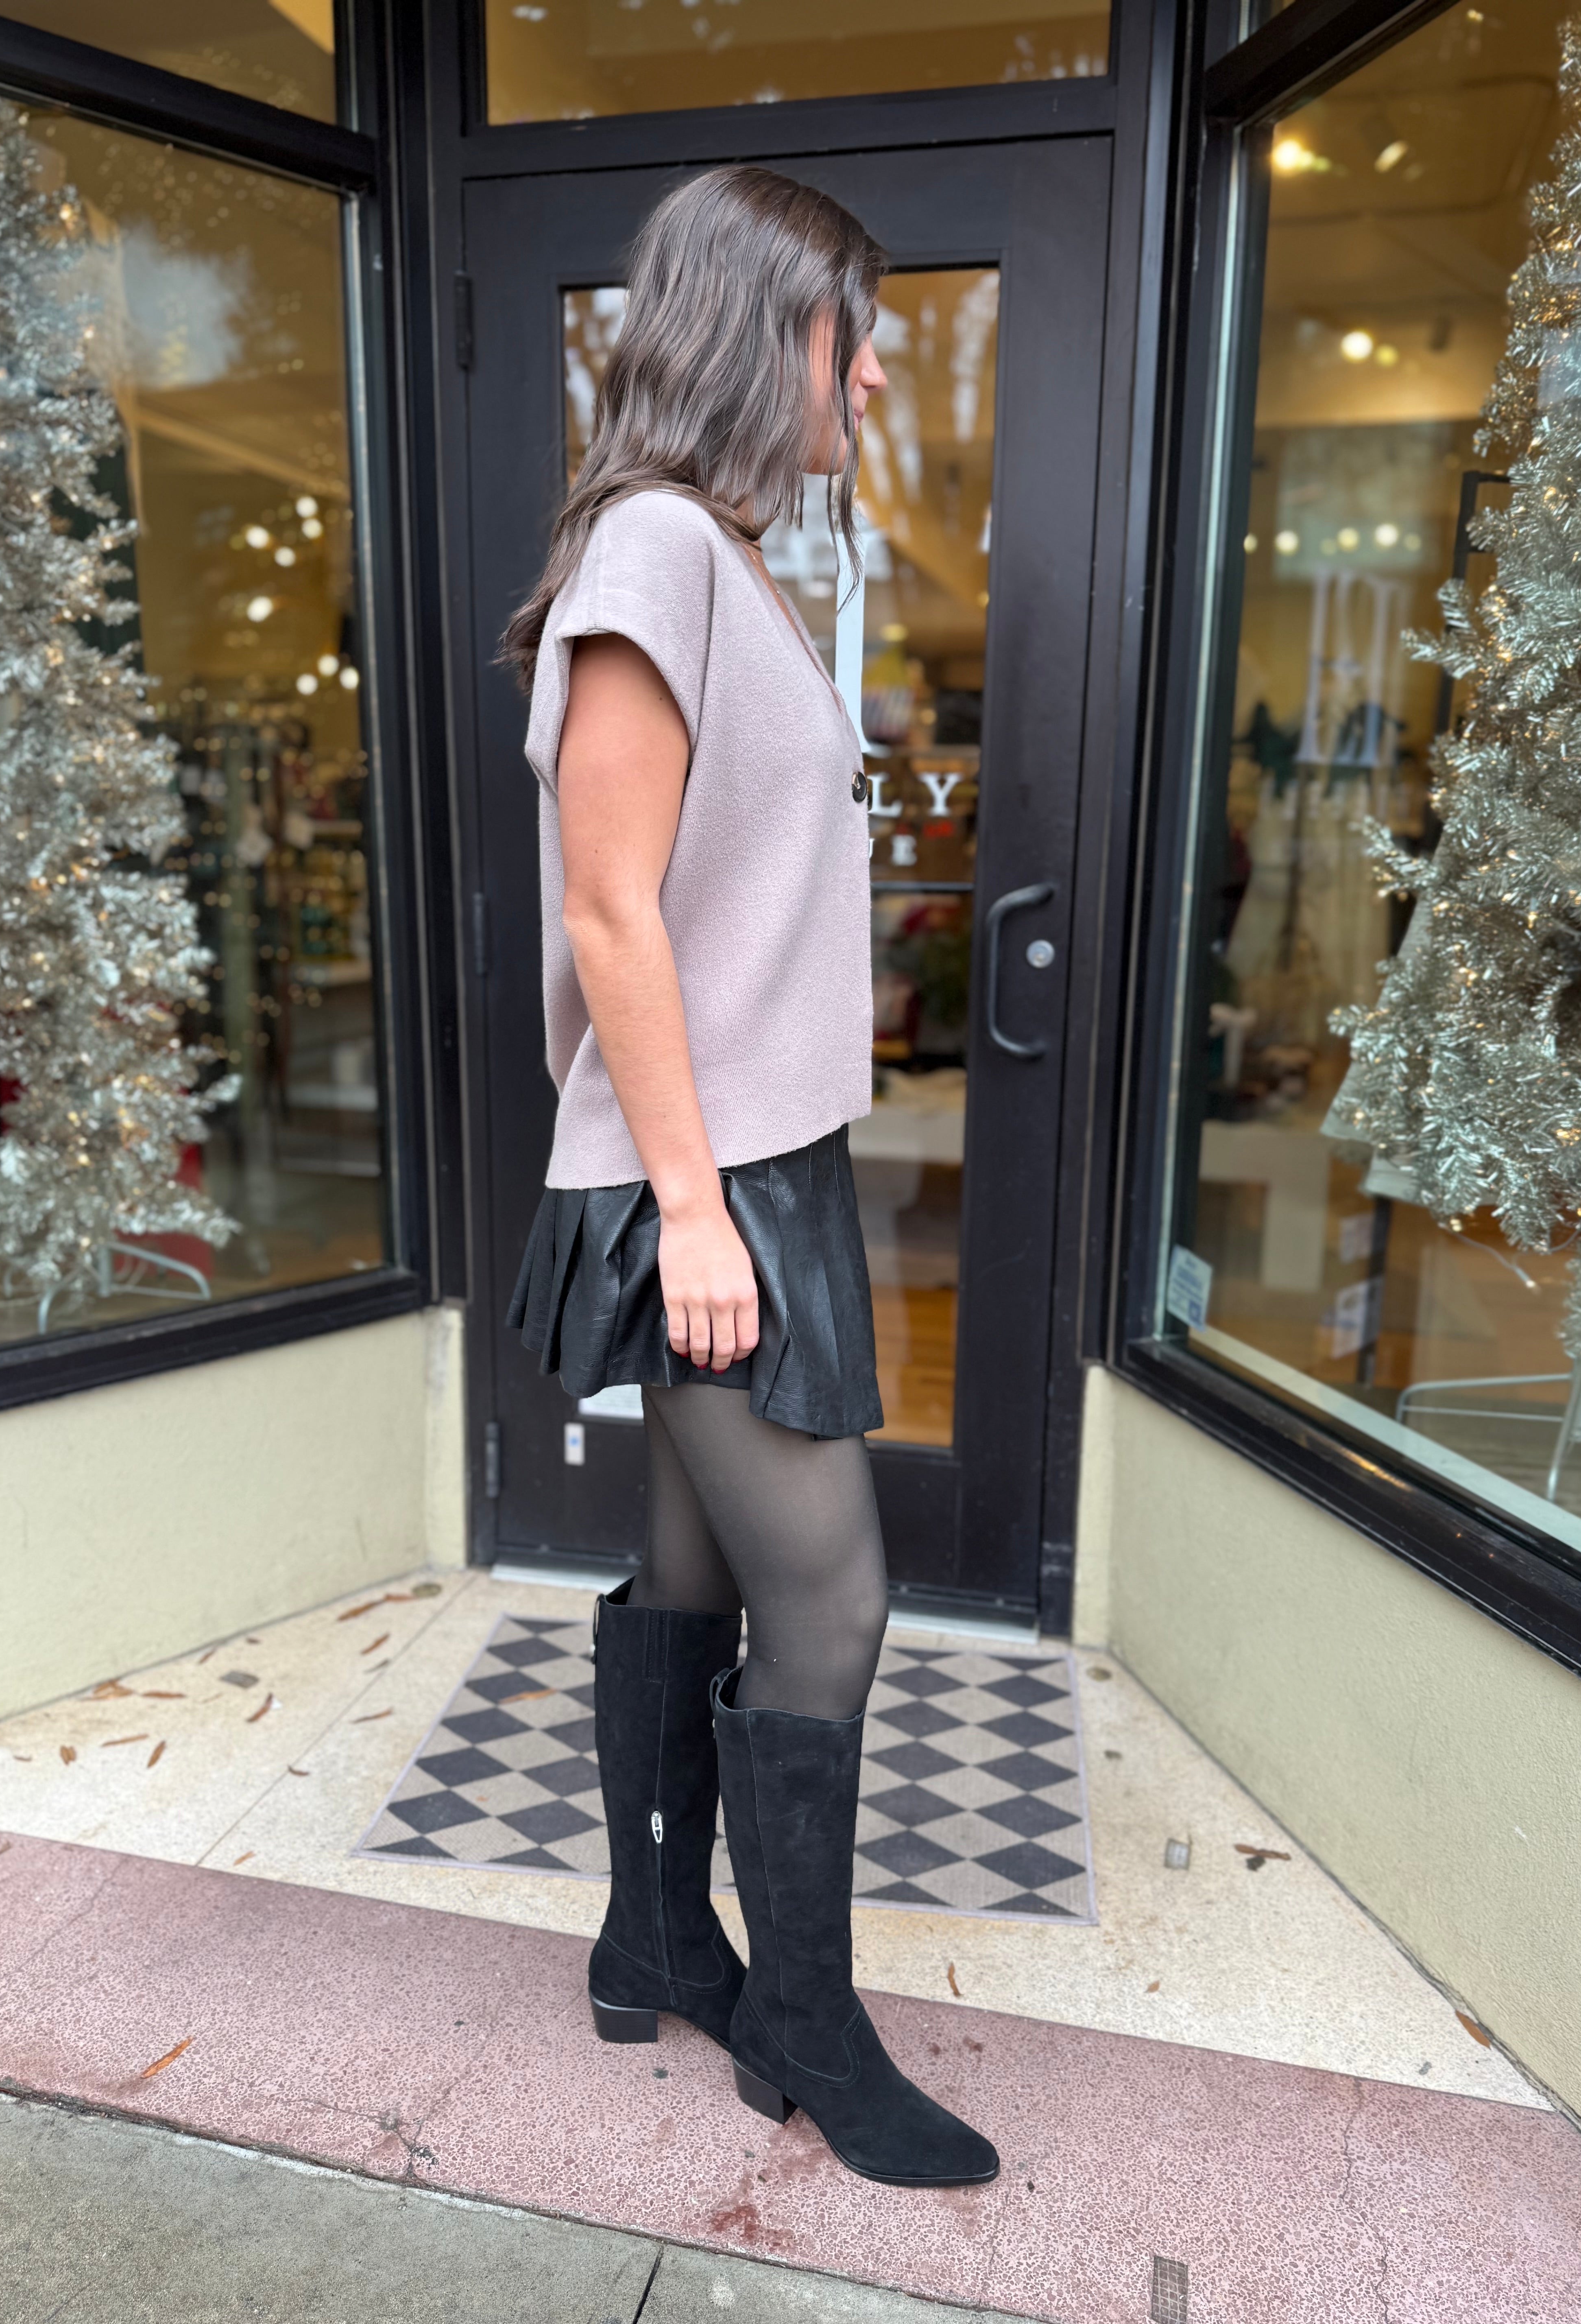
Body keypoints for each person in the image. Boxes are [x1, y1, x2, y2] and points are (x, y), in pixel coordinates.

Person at [498, 164, 997, 2192]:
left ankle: (651, 1944)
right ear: (754, 328)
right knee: (836, 1596)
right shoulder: (651, 551)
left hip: (746, 1156)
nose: (871, 377)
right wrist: (698, 1210)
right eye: (849, 335)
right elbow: (612, 910)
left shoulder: (723, 556)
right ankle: (799, 2018)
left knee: (703, 1571)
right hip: (689, 1181)